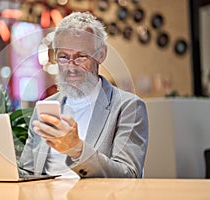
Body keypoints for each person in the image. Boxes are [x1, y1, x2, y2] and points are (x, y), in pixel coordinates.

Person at [19, 11, 148, 178]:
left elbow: (129, 175)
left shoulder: (128, 107)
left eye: (81, 56)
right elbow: (28, 172)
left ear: (101, 55)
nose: (71, 67)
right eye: (63, 57)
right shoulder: (44, 109)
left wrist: (77, 150)